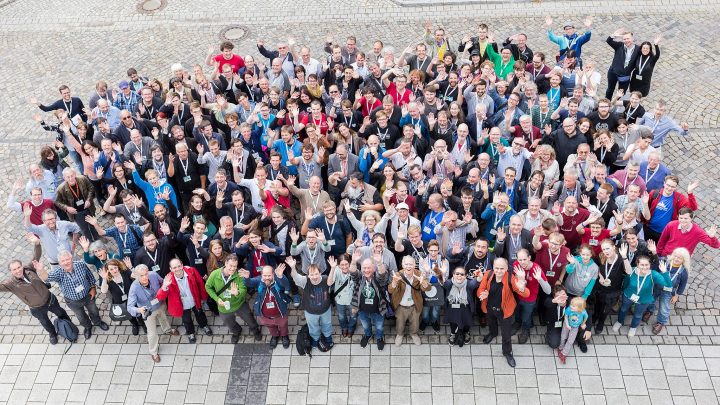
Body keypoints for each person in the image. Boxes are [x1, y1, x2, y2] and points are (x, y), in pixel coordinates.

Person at [1, 259, 73, 344]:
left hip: (49, 299)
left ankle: (69, 324)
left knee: (60, 312)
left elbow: (36, 255)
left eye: (19, 267)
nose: (18, 270)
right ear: (11, 271)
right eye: (14, 269)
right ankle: (52, 333)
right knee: (45, 321)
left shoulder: (29, 269)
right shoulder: (10, 283)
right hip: (36, 308)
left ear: (22, 266)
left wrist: (37, 245)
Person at [42, 250, 109, 340]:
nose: (66, 262)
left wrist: (93, 288)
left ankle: (97, 322)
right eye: (63, 261)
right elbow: (47, 278)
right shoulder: (58, 273)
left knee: (94, 311)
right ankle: (88, 327)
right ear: (59, 263)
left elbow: (90, 276)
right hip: (73, 301)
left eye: (67, 259)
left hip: (88, 296)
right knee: (81, 316)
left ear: (71, 258)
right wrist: (41, 270)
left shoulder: (80, 265)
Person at [477, 257, 528, 367]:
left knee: (506, 335)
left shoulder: (511, 278)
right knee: (491, 323)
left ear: (506, 268)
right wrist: (483, 293)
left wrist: (522, 286)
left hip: (505, 312)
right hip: (490, 308)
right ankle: (493, 333)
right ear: (493, 267)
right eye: (496, 268)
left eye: (501, 268)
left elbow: (526, 294)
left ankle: (507, 352)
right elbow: (480, 290)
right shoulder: (488, 274)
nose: (499, 271)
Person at [127, 264, 180, 362]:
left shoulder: (153, 274)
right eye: (141, 275)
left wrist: (165, 284)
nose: (145, 277)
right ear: (136, 276)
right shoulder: (134, 288)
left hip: (160, 304)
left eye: (146, 274)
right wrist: (139, 310)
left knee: (164, 318)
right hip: (147, 311)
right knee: (152, 334)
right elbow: (129, 307)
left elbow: (162, 282)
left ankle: (167, 330)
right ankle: (154, 352)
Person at [205, 254, 263, 344]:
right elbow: (208, 287)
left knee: (249, 318)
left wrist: (237, 293)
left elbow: (244, 289)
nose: (232, 268)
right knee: (229, 323)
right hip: (224, 306)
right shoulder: (215, 274)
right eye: (230, 266)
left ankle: (255, 330)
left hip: (239, 303)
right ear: (225, 263)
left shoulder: (239, 275)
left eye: (235, 266)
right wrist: (217, 299)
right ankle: (237, 332)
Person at [612, 250, 670, 337]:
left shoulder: (653, 274)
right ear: (637, 265)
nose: (644, 267)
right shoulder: (631, 271)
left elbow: (668, 285)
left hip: (644, 299)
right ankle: (620, 321)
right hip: (628, 295)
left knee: (638, 314)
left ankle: (633, 327)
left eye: (646, 265)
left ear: (650, 265)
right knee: (623, 309)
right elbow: (626, 282)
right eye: (642, 265)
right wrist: (623, 291)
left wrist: (665, 272)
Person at [155, 259, 212, 343]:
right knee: (187, 319)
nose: (177, 269)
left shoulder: (191, 271)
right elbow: (160, 297)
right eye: (174, 267)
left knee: (200, 314)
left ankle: (204, 325)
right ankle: (190, 332)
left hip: (194, 300)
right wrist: (165, 286)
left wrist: (204, 297)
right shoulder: (168, 279)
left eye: (179, 266)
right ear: (170, 269)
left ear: (182, 265)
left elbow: (200, 283)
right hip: (182, 304)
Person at [287, 258, 334, 350]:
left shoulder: (325, 279)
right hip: (310, 311)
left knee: (327, 324)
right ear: (308, 275)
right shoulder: (305, 281)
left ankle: (328, 337)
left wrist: (332, 268)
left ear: (320, 273)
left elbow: (330, 282)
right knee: (313, 327)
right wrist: (293, 267)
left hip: (325, 310)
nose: (315, 276)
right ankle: (315, 339)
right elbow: (296, 278)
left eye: (316, 273)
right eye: (312, 274)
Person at [244, 265, 292, 349]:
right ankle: (275, 336)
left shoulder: (277, 280)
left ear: (273, 274)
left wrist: (281, 277)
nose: (267, 278)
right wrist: (247, 278)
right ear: (261, 275)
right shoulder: (259, 280)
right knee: (270, 326)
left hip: (280, 313)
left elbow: (287, 286)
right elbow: (249, 283)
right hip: (264, 314)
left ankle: (284, 336)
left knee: (283, 325)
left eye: (269, 275)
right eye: (264, 275)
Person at [389, 256, 431, 346]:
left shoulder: (419, 274)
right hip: (401, 305)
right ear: (402, 265)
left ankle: (414, 334)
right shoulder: (398, 275)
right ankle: (400, 334)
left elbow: (428, 288)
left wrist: (423, 282)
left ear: (414, 265)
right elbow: (390, 290)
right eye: (406, 264)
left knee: (415, 322)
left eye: (411, 264)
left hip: (414, 304)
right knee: (400, 323)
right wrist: (394, 283)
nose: (408, 266)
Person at [351, 257, 390, 350]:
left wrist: (380, 262)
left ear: (374, 268)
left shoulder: (378, 279)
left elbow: (382, 274)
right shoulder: (359, 278)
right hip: (362, 311)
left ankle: (379, 338)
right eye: (364, 268)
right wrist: (353, 261)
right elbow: (352, 272)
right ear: (361, 269)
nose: (366, 270)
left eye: (369, 268)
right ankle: (368, 335)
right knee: (365, 325)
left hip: (378, 311)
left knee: (379, 327)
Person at [649, 247, 690, 334]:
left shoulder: (683, 271)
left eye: (679, 258)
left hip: (669, 291)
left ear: (684, 260)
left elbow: (682, 284)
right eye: (675, 256)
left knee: (664, 307)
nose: (676, 259)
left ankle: (661, 322)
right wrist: (654, 252)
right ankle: (650, 311)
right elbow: (655, 266)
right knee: (651, 300)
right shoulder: (664, 262)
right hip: (657, 286)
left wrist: (676, 295)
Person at [99, 258, 145, 335]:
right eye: (111, 269)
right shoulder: (107, 279)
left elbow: (137, 277)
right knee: (129, 315)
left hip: (132, 298)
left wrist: (131, 267)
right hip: (120, 302)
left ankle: (143, 324)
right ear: (108, 271)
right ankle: (134, 324)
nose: (114, 270)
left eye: (115, 267)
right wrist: (104, 279)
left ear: (118, 267)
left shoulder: (124, 272)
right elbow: (103, 291)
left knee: (138, 312)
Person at [557, 296, 588, 363]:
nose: (571, 306)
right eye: (571, 304)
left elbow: (586, 317)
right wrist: (567, 324)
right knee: (563, 336)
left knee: (571, 340)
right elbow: (566, 316)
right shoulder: (569, 309)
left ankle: (564, 353)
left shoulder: (583, 312)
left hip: (575, 327)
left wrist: (583, 324)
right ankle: (560, 347)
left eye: (573, 306)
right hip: (567, 324)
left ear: (579, 308)